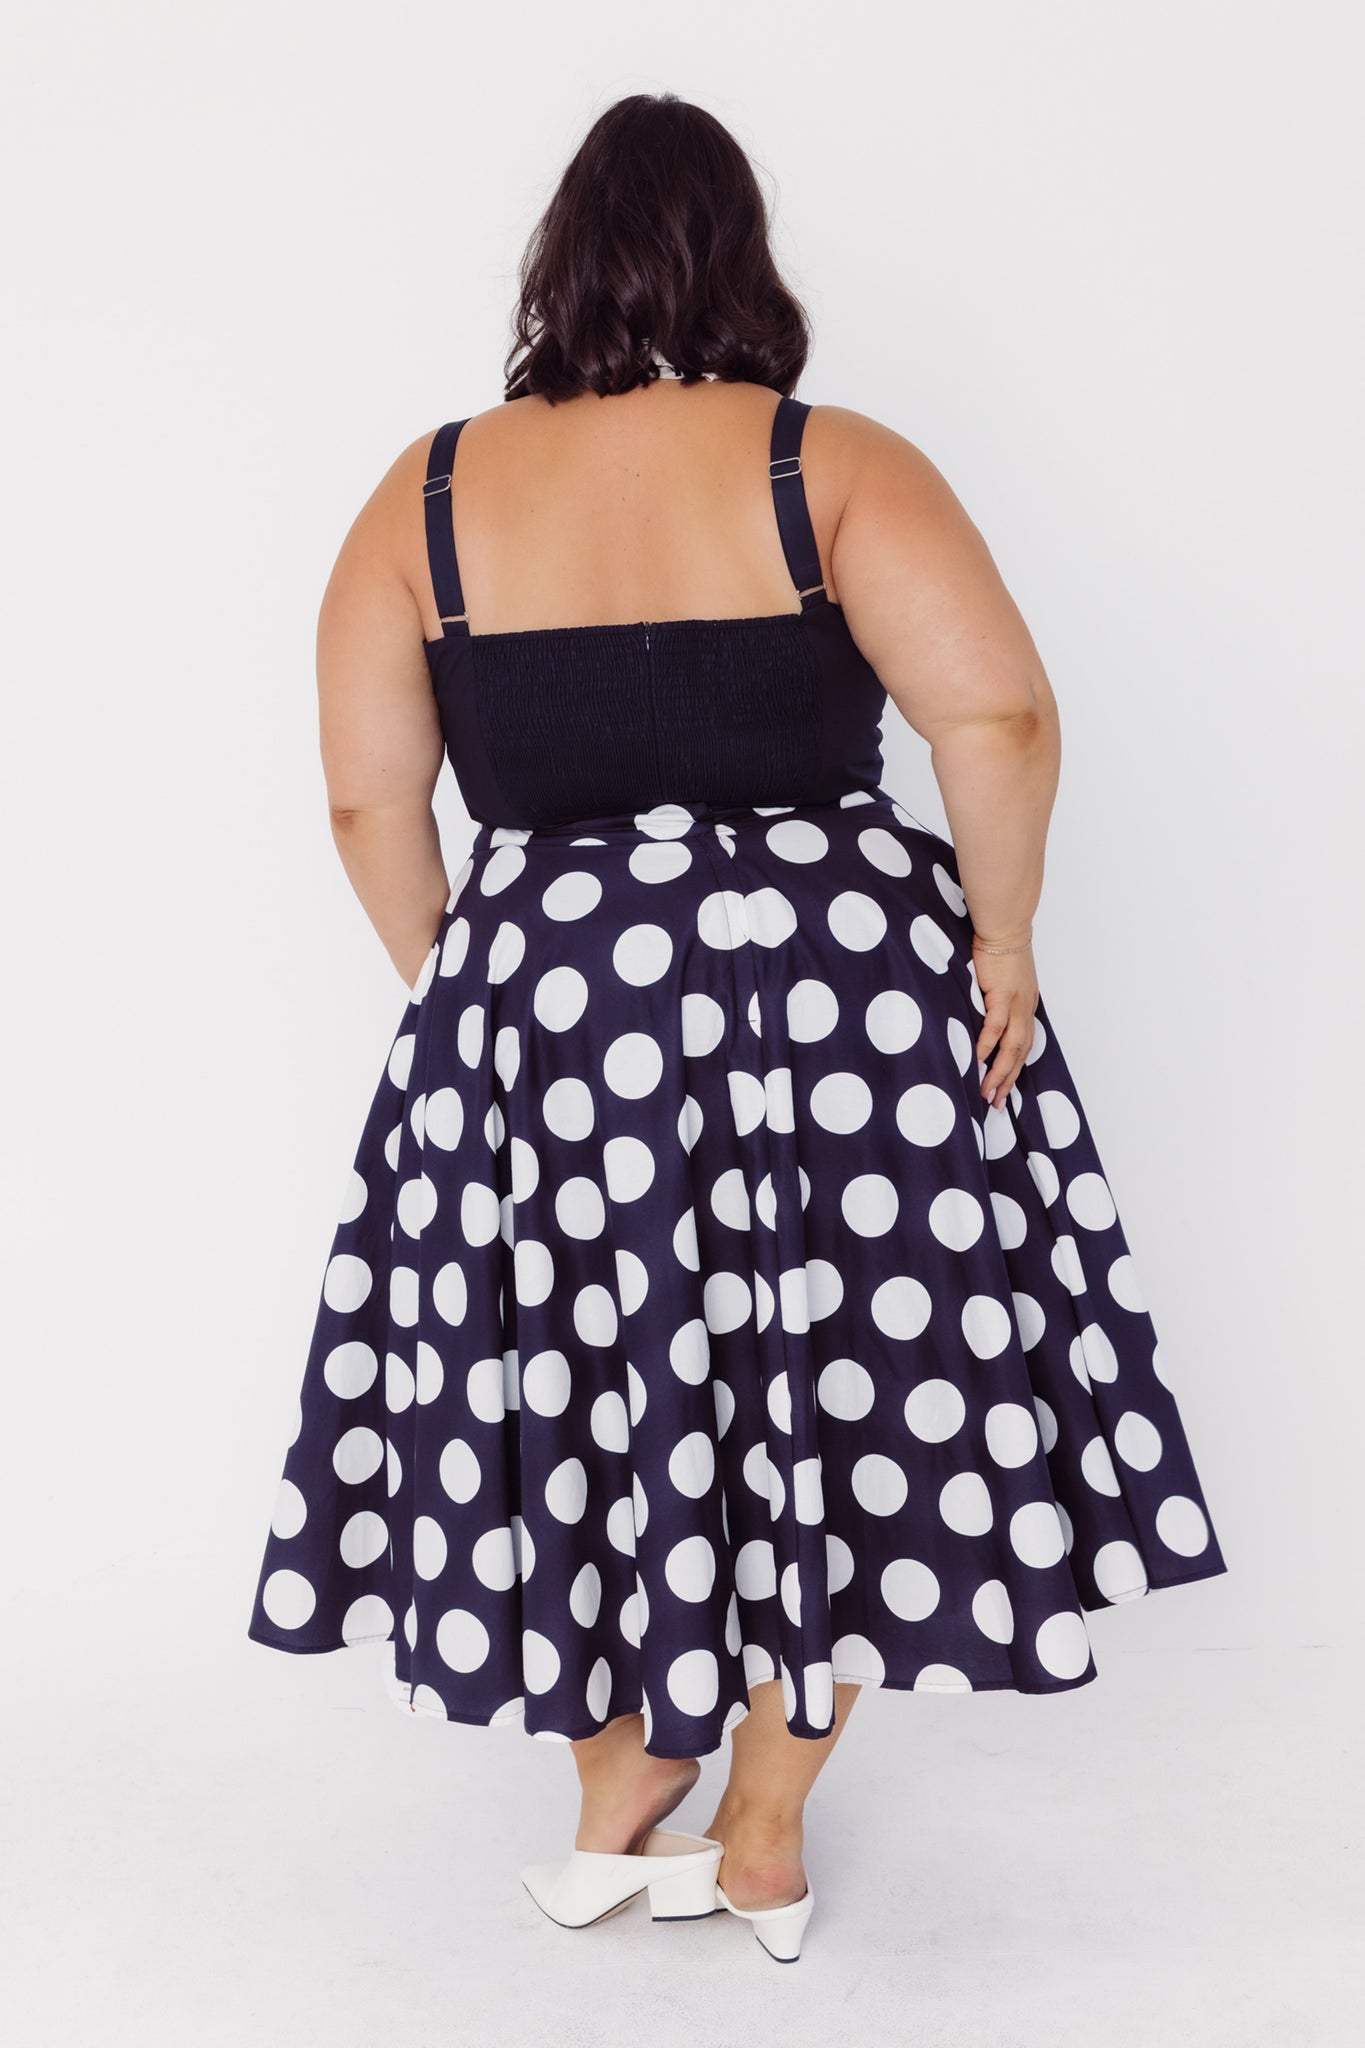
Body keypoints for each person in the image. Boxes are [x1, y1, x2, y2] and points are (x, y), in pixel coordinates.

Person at [246, 91, 1228, 1963]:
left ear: (561, 264)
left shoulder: (430, 490)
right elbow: (995, 721)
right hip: (839, 995)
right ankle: (764, 1827)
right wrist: (998, 936)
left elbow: (371, 800)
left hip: (549, 998)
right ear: (741, 258)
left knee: (582, 1377)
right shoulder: (823, 460)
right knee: (841, 1384)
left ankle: (617, 1785)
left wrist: (471, 993)